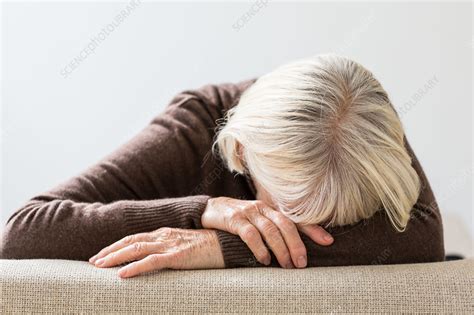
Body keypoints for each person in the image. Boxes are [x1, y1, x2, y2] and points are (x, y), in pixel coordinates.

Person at [0, 55, 444, 278]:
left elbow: (425, 240)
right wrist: (203, 212)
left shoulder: (364, 128)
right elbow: (23, 232)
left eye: (339, 223)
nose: (313, 236)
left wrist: (220, 247)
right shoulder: (196, 124)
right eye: (292, 213)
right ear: (243, 154)